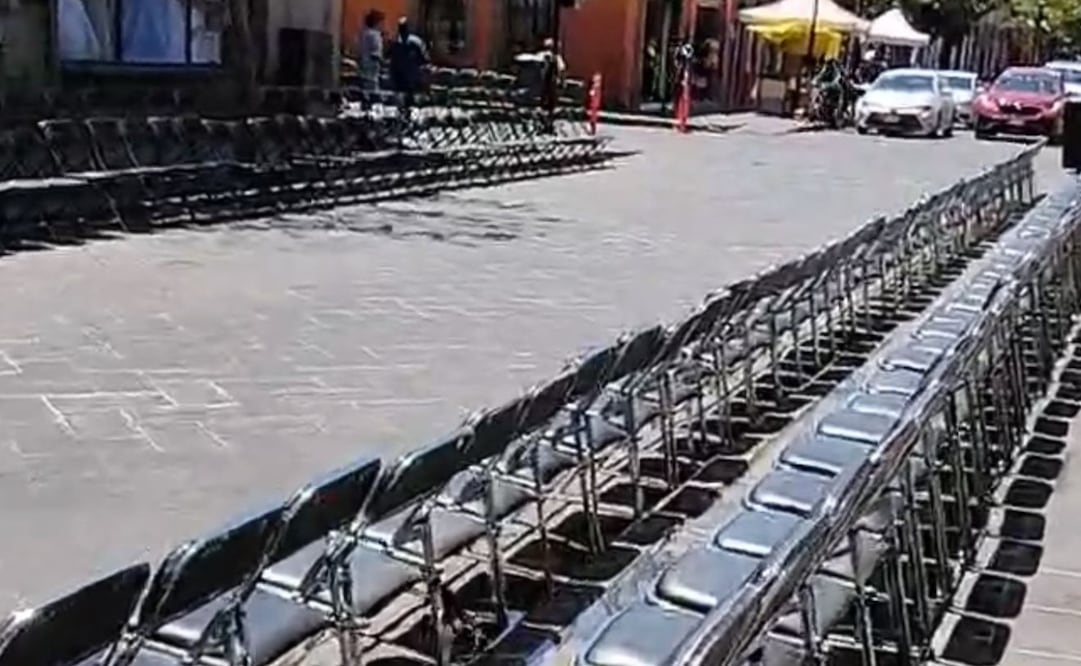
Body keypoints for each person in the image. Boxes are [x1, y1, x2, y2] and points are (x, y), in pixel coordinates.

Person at [388, 17, 430, 111]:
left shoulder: (415, 42)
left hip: (412, 76)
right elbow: (389, 57)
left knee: (412, 102)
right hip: (399, 76)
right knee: (400, 102)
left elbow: (424, 58)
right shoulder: (395, 42)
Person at [358, 10, 385, 92]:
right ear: (376, 22)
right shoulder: (375, 35)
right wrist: (382, 61)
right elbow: (375, 54)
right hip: (372, 68)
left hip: (364, 66)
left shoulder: (364, 33)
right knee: (372, 91)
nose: (383, 25)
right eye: (381, 22)